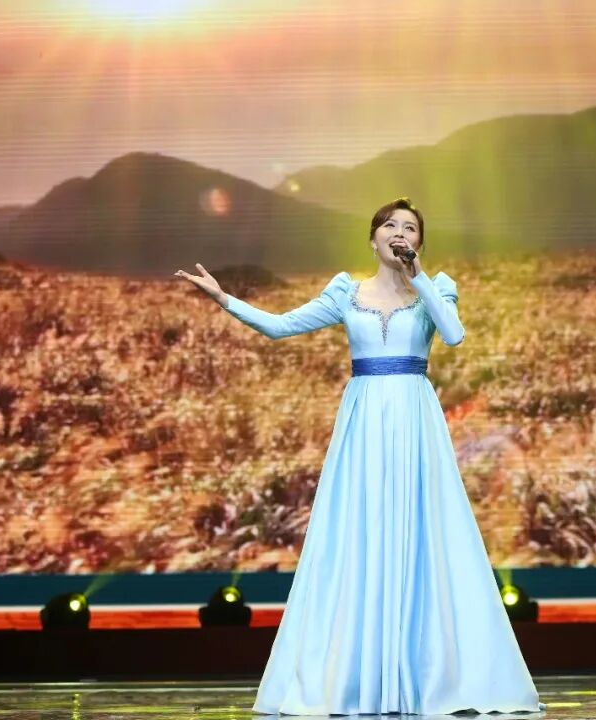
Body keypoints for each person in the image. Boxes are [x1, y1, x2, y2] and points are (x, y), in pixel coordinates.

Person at [175, 198, 544, 716]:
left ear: (418, 243)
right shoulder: (346, 293)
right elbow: (280, 326)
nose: (399, 232)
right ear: (373, 239)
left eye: (409, 227)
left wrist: (419, 278)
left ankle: (427, 677)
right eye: (389, 225)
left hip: (414, 419)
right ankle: (355, 677)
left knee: (422, 532)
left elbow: (454, 334)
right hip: (365, 421)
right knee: (361, 533)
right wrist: (224, 299)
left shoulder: (435, 288)